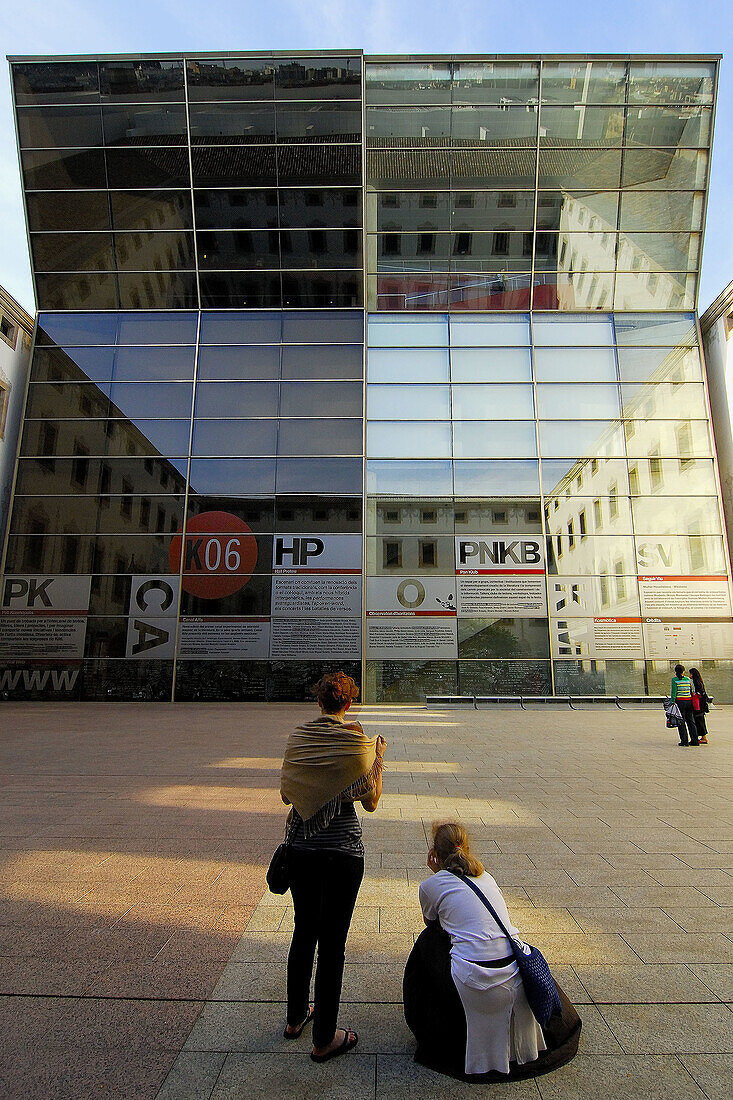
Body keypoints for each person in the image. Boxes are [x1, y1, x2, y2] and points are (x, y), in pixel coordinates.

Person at [403, 822, 581, 1081]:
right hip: (517, 975)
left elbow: (433, 925)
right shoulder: (486, 877)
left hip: (473, 982)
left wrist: (437, 874)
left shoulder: (431, 885)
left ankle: (432, 1021)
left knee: (428, 941)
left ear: (434, 854)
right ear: (466, 848)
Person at [279, 670, 386, 1063]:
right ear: (349, 704)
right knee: (333, 946)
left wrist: (317, 787)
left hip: (302, 851)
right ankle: (325, 1038)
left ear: (319, 702)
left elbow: (288, 793)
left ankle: (294, 1019)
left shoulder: (299, 740)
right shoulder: (358, 744)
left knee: (303, 931)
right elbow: (371, 801)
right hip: (343, 854)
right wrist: (376, 761)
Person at [671, 663, 699, 746]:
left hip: (680, 702)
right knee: (691, 721)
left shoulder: (674, 680)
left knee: (681, 722)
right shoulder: (688, 679)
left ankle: (684, 741)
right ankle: (695, 740)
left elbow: (674, 692)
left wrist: (672, 702)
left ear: (676, 671)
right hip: (689, 702)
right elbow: (692, 690)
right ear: (683, 671)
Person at [689, 666, 710, 744]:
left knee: (699, 720)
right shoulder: (700, 681)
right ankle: (703, 736)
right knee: (700, 720)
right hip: (701, 704)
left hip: (698, 704)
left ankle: (703, 737)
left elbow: (696, 694)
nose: (689, 675)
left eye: (690, 674)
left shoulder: (695, 682)